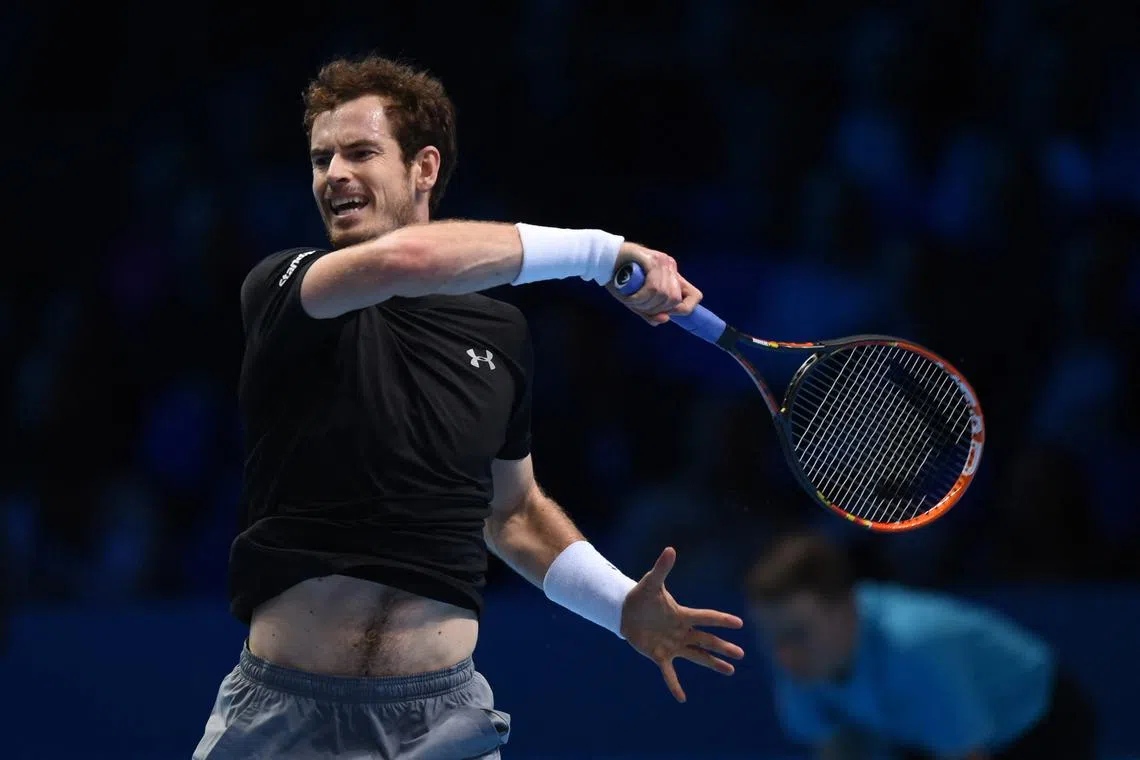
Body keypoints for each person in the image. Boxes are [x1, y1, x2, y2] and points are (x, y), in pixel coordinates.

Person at [193, 54, 745, 759]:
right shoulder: (287, 289)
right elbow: (404, 261)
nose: (333, 174)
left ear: (424, 168)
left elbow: (510, 511)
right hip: (283, 717)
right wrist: (600, 253)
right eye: (320, 158)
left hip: (443, 723)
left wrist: (619, 605)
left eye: (360, 152)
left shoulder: (500, 334)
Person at [744, 533, 1097, 760]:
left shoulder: (914, 649)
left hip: (1038, 720)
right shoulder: (793, 655)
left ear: (845, 608)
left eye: (798, 634)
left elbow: (968, 755)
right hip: (922, 732)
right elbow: (837, 748)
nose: (783, 654)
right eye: (771, 636)